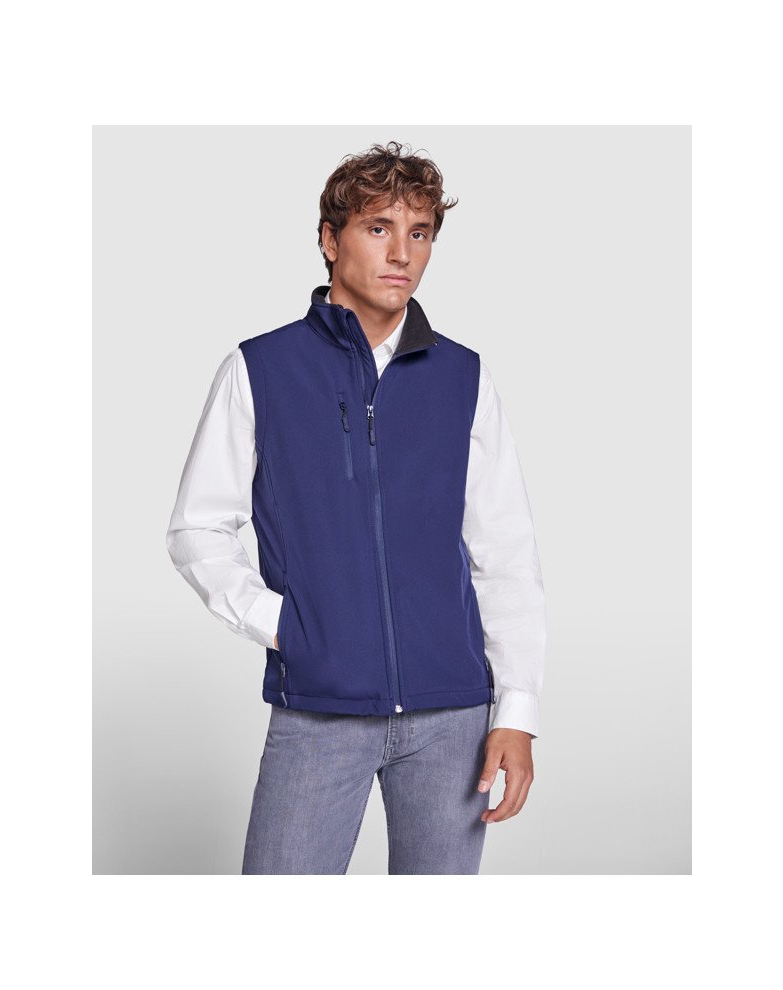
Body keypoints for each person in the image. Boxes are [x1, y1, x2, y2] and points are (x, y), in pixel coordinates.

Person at [165, 140, 546, 874]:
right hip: (319, 711)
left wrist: (518, 710)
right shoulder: (261, 369)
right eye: (379, 228)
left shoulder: (463, 377)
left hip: (452, 716)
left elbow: (505, 552)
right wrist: (286, 626)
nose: (402, 253)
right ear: (329, 239)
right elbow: (197, 528)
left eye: (420, 232)